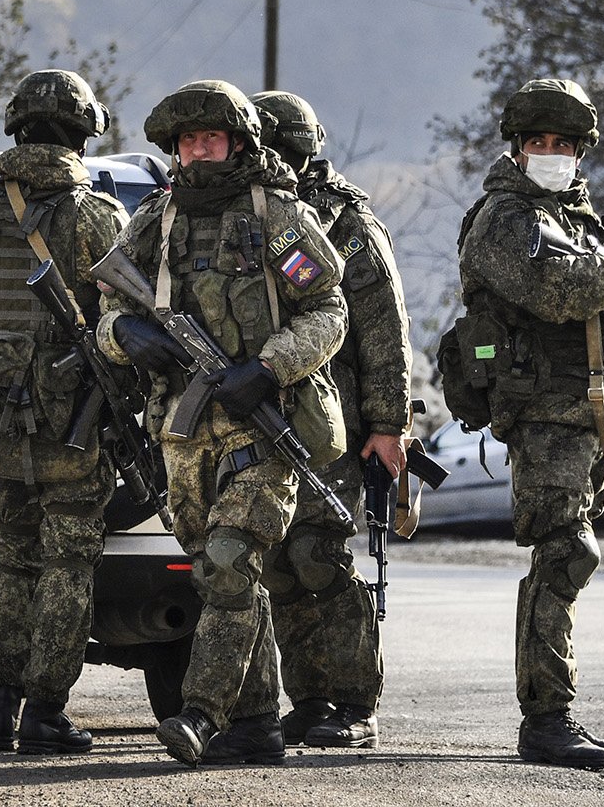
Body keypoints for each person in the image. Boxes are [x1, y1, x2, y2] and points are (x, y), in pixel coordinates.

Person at [95, 80, 347, 767]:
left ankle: (202, 713)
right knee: (225, 575)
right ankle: (259, 724)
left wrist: (268, 367)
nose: (197, 152)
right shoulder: (155, 220)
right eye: (186, 142)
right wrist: (126, 335)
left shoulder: (277, 217)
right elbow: (107, 310)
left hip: (259, 428)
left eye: (209, 139)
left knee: (231, 566)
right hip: (182, 431)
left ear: (238, 142)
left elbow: (329, 310)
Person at [454, 78, 604, 770]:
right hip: (546, 415)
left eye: (563, 145)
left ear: (581, 152)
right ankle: (546, 718)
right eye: (538, 143)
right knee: (565, 554)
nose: (550, 154)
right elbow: (558, 287)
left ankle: (555, 713)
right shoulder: (502, 218)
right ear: (517, 149)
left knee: (568, 556)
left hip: (590, 417)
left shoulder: (580, 222)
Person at [0, 70, 129, 756]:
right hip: (74, 426)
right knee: (69, 561)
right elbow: (131, 329)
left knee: (12, 559)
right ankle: (45, 709)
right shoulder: (99, 218)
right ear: (82, 133)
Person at [250, 90, 411, 751]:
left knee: (320, 555)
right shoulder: (248, 211)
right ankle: (310, 698)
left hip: (334, 422)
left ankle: (355, 699)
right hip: (262, 415)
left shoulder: (346, 221)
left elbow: (384, 334)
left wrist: (388, 425)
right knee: (282, 563)